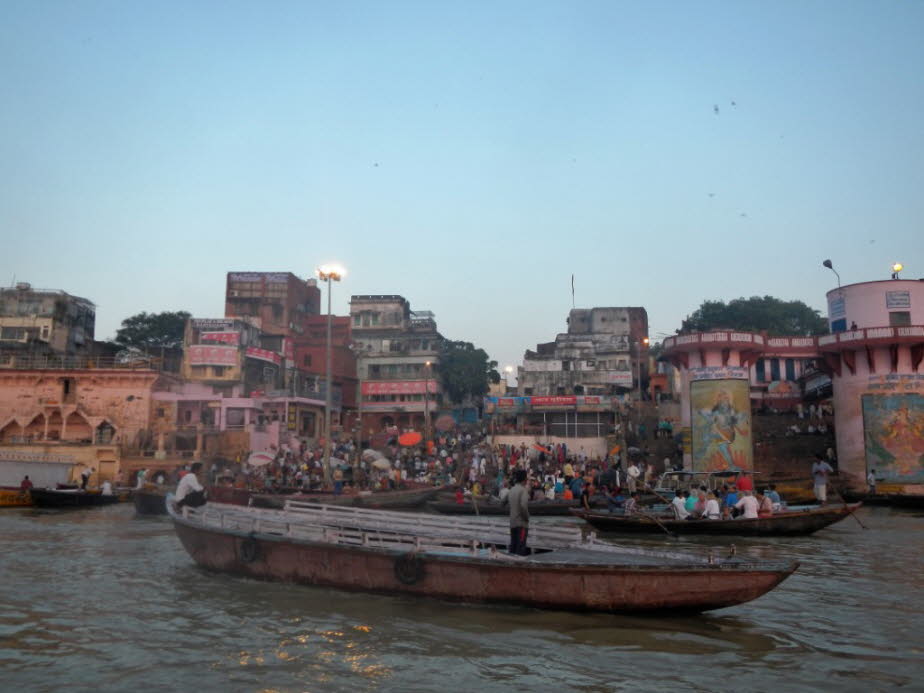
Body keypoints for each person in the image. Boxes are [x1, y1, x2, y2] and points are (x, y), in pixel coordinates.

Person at [508, 469, 530, 556]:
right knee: (520, 548)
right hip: (521, 524)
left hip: (512, 523)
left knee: (513, 547)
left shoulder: (511, 490)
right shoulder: (523, 490)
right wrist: (527, 517)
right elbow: (523, 506)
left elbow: (502, 502)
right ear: (525, 480)